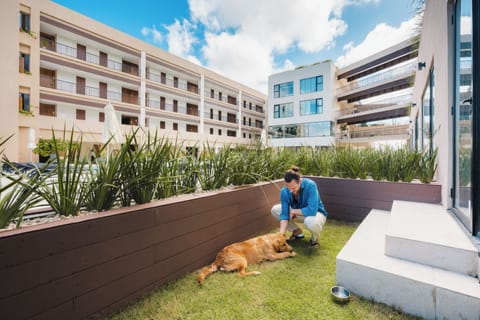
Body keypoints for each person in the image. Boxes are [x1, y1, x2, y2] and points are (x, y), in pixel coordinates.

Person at [271, 166, 328, 247]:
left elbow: (312, 210)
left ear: (300, 182)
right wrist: (281, 235)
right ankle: (297, 231)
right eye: (288, 187)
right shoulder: (285, 191)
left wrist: (293, 211)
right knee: (275, 210)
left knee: (311, 222)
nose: (290, 191)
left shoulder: (311, 185)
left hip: (316, 214)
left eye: (293, 188)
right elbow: (284, 215)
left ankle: (314, 239)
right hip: (299, 213)